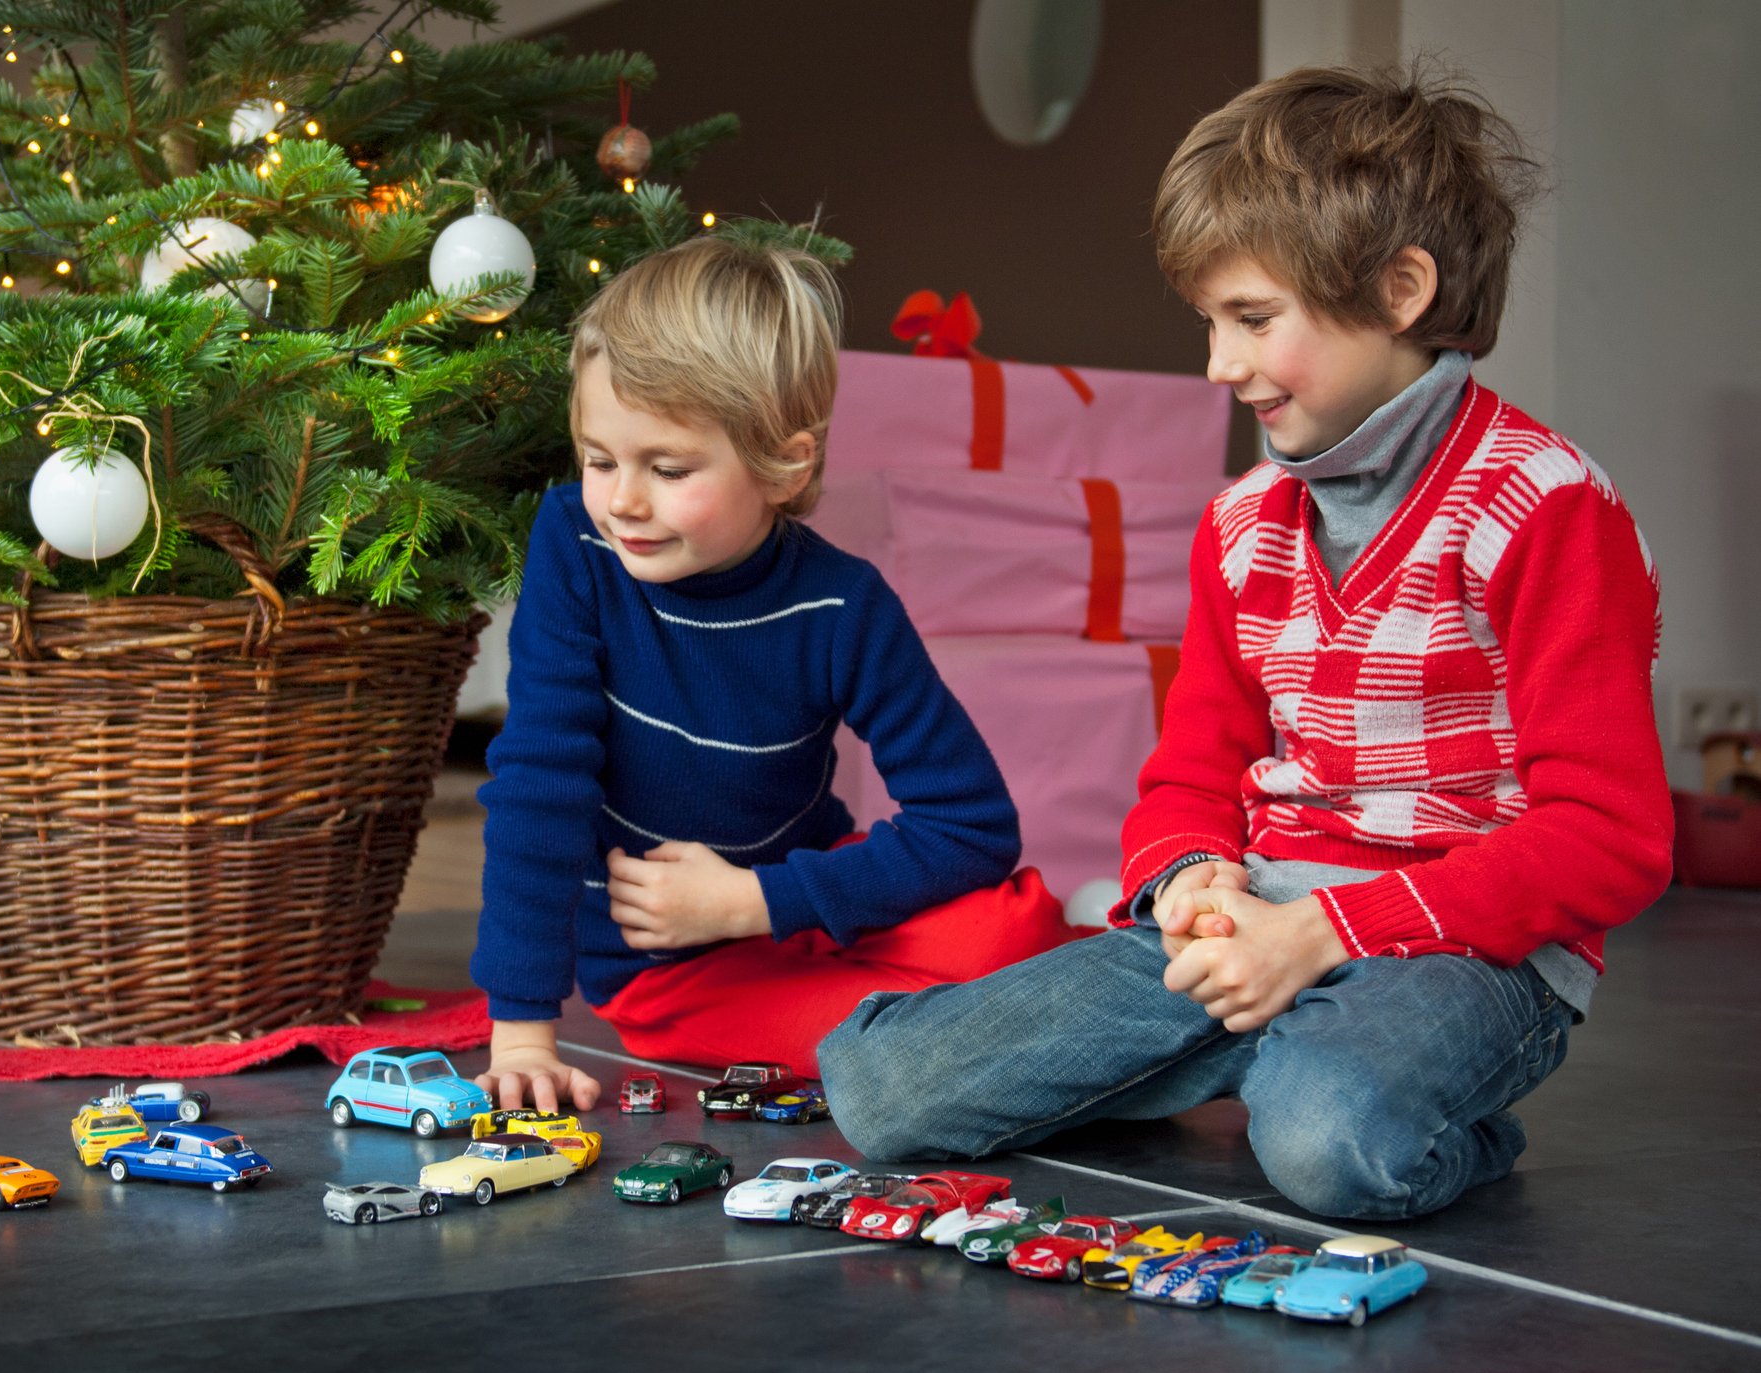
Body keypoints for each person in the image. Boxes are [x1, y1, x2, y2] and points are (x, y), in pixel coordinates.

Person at [816, 64, 1674, 1220]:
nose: (1219, 365)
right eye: (1210, 324)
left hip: (1468, 953)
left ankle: (1354, 1083)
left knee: (1328, 1144)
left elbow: (1612, 840)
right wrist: (1188, 875)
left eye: (1253, 320)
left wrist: (1326, 932)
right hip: (1260, 912)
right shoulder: (1240, 522)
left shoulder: (1545, 506)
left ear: (1400, 290)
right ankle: (1266, 1044)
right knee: (880, 1086)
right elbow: (1190, 770)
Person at [469, 236, 1067, 1111]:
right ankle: (997, 1039)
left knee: (1021, 928)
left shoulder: (844, 605)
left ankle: (1004, 1031)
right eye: (598, 460)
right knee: (896, 1045)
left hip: (795, 906)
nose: (622, 500)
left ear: (784, 464)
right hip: (667, 966)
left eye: (667, 469)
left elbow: (972, 827)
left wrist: (754, 901)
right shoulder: (576, 542)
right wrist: (521, 1030)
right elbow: (538, 783)